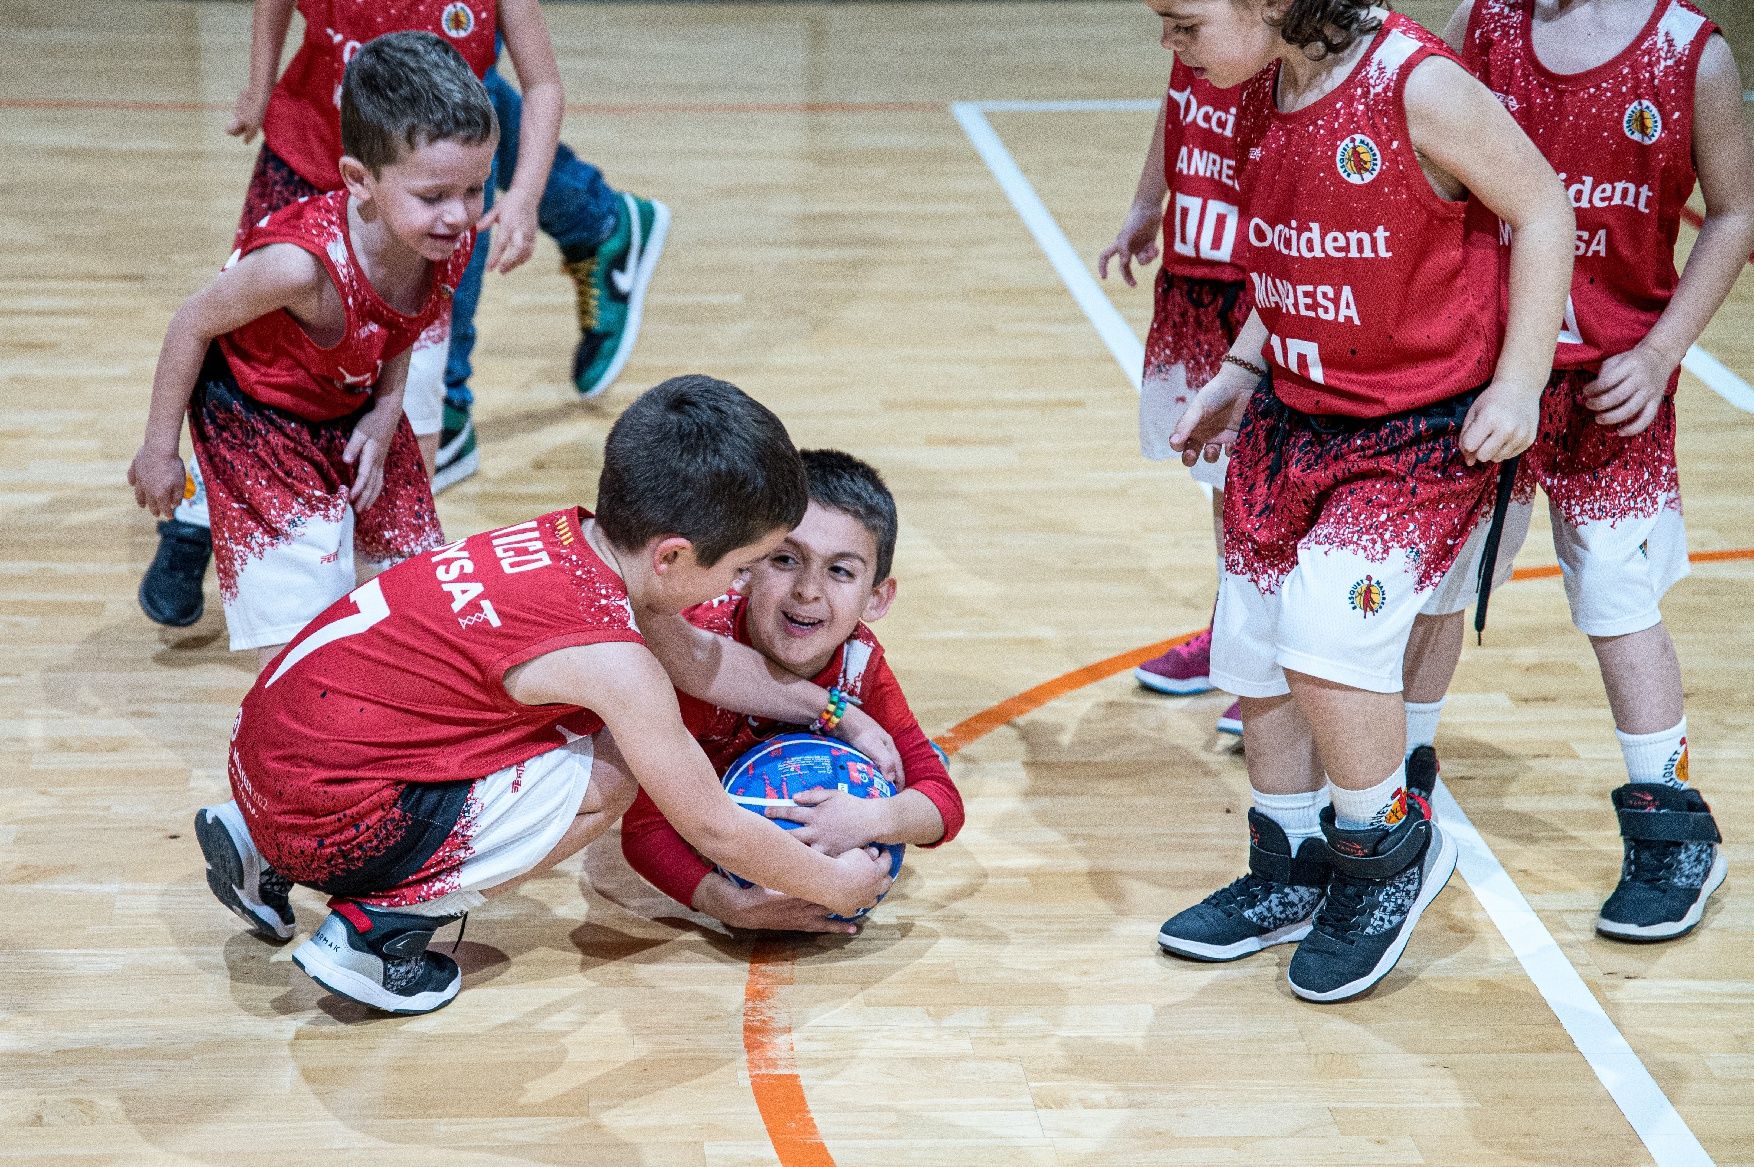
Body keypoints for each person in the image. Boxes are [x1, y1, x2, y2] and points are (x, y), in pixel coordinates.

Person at [200, 377, 897, 1014]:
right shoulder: (612, 658)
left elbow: (698, 656)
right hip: (324, 810)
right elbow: (710, 823)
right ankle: (379, 932)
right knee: (616, 767)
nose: (739, 588)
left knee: (534, 723)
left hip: (267, 763)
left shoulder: (572, 540)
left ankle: (262, 847)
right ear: (674, 556)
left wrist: (834, 710)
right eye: (743, 567)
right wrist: (835, 886)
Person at [1145, 0, 1575, 1001]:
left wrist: (1516, 381)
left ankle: (1386, 854)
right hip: (1289, 413)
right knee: (1250, 649)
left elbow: (1543, 206)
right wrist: (1239, 372)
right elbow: (1291, 259)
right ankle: (1287, 863)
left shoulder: (1414, 85)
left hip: (1412, 430)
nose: (1166, 42)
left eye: (1180, 20)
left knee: (1326, 641)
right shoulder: (1260, 86)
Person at [1445, 0, 1753, 939]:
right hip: (1491, 378)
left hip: (1612, 389)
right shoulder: (1483, 25)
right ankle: (1399, 795)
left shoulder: (1689, 56)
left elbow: (1736, 211)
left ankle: (1671, 828)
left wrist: (1662, 353)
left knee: (1620, 601)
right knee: (1436, 589)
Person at [128, 32, 492, 669]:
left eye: (474, 190)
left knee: (423, 595)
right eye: (433, 195)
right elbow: (191, 324)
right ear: (359, 180)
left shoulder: (444, 239)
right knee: (303, 638)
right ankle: (301, 747)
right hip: (257, 421)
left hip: (351, 404)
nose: (458, 215)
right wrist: (161, 445)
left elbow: (404, 322)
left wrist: (387, 409)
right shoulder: (298, 268)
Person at [620, 449, 966, 933]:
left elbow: (944, 804)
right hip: (703, 806)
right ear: (744, 569)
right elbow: (643, 831)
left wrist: (870, 819)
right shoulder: (695, 658)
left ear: (876, 598)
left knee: (918, 763)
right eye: (785, 559)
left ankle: (877, 774)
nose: (808, 590)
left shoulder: (859, 664)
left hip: (793, 789)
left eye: (840, 570)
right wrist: (727, 905)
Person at [1099, 60, 1250, 738]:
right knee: (1225, 479)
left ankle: (1266, 661)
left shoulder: (1292, 45)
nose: (1171, 37)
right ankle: (1235, 632)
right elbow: (1178, 105)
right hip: (1195, 279)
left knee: (1264, 484)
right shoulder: (1200, 38)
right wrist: (1145, 204)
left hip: (1263, 294)